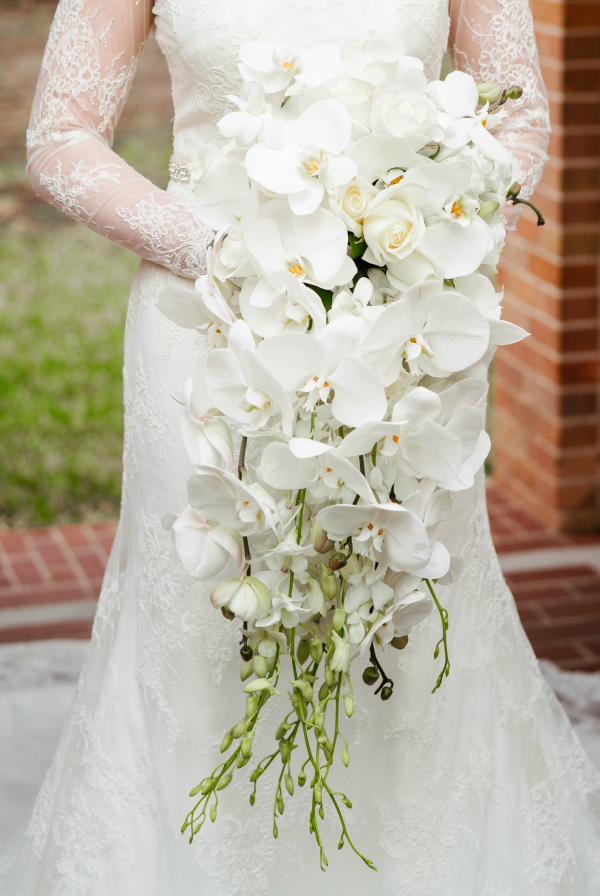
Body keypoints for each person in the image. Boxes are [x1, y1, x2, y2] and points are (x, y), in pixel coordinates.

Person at [4, 0, 600, 893]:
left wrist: (419, 253)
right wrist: (224, 252)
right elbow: (59, 135)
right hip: (208, 333)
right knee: (212, 610)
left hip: (406, 330)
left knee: (400, 595)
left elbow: (516, 114)